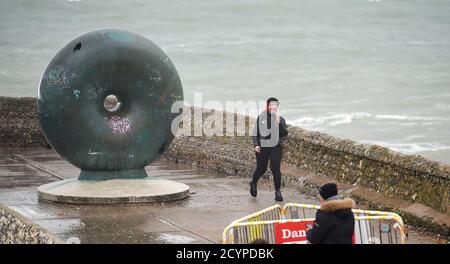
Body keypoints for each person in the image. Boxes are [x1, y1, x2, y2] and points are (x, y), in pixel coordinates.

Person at [250, 97, 289, 202]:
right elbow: (255, 132)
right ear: (267, 106)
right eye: (271, 105)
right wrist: (256, 144)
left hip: (276, 147)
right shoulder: (261, 117)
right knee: (261, 169)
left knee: (275, 168)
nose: (273, 107)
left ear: (277, 107)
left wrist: (278, 122)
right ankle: (253, 182)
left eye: (275, 105)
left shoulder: (280, 119)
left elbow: (285, 133)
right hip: (263, 146)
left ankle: (278, 191)